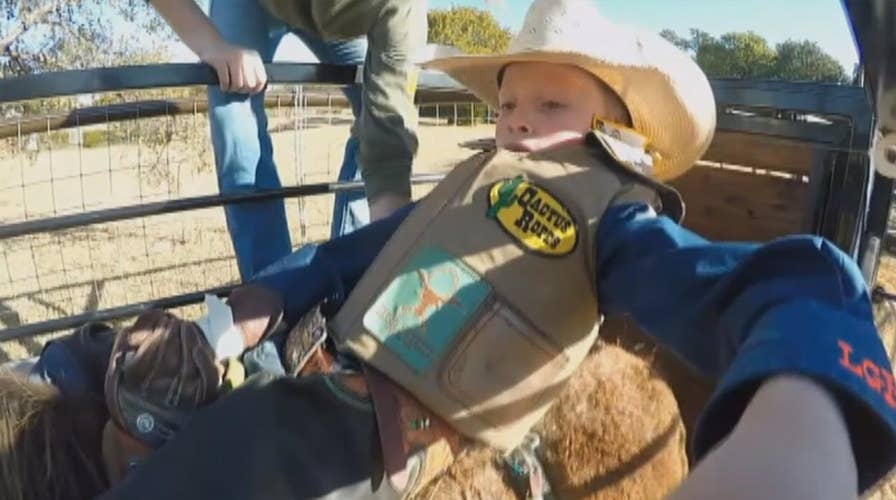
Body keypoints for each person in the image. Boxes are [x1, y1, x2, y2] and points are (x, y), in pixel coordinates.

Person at [10, 0, 896, 498]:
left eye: (551, 108)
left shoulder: (615, 222)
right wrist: (244, 310)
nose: (518, 123)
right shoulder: (474, 186)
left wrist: (806, 405)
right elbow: (350, 255)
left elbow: (756, 285)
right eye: (510, 106)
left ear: (619, 135)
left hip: (369, 440)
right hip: (322, 374)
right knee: (109, 388)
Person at [147, 0, 427, 280]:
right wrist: (212, 46)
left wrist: (386, 260)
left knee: (375, 109)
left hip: (342, 16)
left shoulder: (404, 7)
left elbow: (389, 127)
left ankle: (353, 271)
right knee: (234, 113)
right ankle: (273, 295)